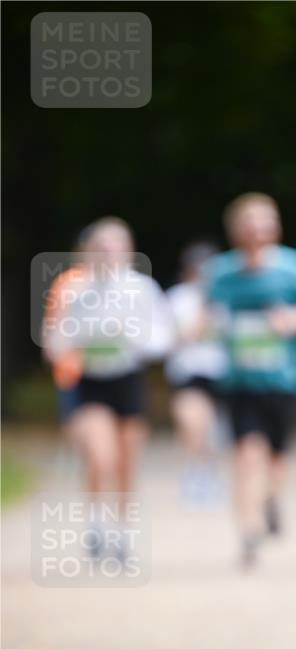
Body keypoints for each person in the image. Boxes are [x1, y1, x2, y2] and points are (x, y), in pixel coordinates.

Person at [204, 193, 296, 568]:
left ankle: (270, 499)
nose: (256, 227)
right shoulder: (220, 272)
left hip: (283, 379)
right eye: (249, 221)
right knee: (245, 454)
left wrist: (291, 319)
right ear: (234, 230)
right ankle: (249, 530)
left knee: (278, 459)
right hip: (239, 381)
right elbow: (206, 316)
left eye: (264, 219)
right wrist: (210, 326)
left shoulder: (295, 267)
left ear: (275, 226)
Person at [43, 216, 173, 558]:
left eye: (116, 246)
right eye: (101, 247)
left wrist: (129, 334)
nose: (108, 253)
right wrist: (84, 337)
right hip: (90, 383)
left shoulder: (142, 289)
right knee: (101, 457)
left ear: (128, 250)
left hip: (128, 382)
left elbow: (162, 340)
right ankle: (96, 523)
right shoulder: (73, 289)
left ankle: (122, 531)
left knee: (126, 461)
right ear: (88, 251)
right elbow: (53, 343)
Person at [165, 241, 228, 504]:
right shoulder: (178, 298)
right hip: (188, 370)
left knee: (215, 429)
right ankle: (195, 471)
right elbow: (171, 336)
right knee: (193, 423)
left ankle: (209, 472)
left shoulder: (226, 296)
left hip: (221, 371)